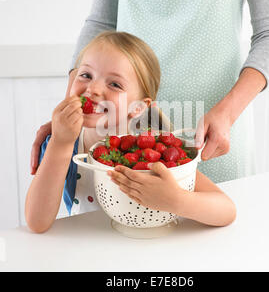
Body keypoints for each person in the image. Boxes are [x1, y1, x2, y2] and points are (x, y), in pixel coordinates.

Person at [30, 0, 269, 184]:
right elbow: (101, 22)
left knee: (214, 229)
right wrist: (71, 107)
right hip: (123, 130)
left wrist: (227, 114)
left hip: (212, 134)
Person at [25, 31, 236, 233]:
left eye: (115, 84)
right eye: (86, 75)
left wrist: (176, 200)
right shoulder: (60, 143)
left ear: (138, 107)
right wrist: (60, 144)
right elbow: (37, 222)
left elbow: (226, 210)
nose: (93, 89)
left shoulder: (153, 150)